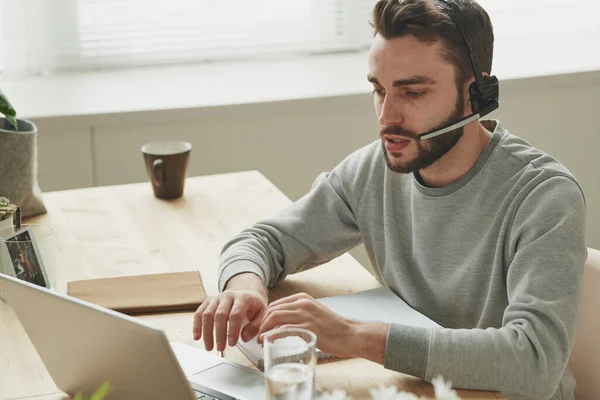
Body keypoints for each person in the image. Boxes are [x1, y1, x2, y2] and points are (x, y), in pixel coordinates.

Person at [193, 1, 587, 399]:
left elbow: (534, 362)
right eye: (379, 90)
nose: (386, 116)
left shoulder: (544, 196)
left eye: (412, 92)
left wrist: (353, 336)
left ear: (476, 93)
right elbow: (264, 241)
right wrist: (244, 288)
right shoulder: (374, 170)